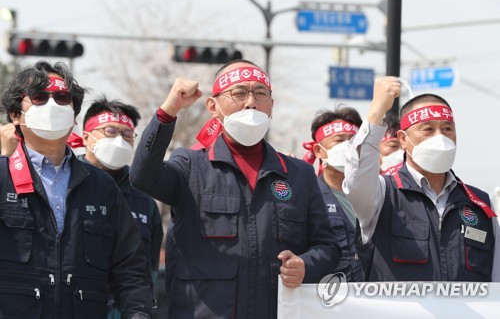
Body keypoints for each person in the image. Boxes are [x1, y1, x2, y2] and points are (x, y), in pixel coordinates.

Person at [129, 59, 340, 318]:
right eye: (239, 93)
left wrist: (305, 265)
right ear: (213, 107)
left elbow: (328, 246)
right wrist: (168, 112)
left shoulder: (298, 174)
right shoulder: (190, 166)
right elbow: (142, 176)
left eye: (260, 94)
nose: (250, 102)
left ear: (271, 106)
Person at [0, 61, 152, 318]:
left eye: (62, 98)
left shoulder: (102, 186)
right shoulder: (2, 178)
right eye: (39, 98)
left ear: (74, 115)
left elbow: (130, 270)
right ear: (16, 115)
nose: (52, 106)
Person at [343, 76, 500, 281]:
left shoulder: (480, 203)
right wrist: (376, 110)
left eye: (447, 129)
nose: (440, 137)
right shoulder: (382, 194)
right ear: (403, 140)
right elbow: (358, 174)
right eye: (428, 129)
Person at [72, 96, 164, 318]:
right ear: (87, 137)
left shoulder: (145, 202)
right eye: (111, 131)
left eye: (127, 134)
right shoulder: (67, 186)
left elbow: (147, 270)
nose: (120, 140)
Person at [302, 107, 364, 281]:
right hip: (330, 297)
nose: (348, 146)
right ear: (318, 151)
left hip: (373, 296)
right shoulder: (308, 196)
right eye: (339, 140)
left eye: (352, 140)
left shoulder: (377, 193)